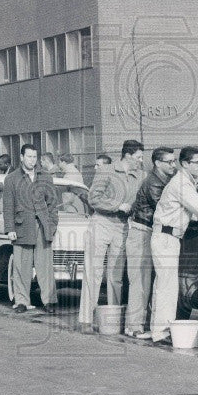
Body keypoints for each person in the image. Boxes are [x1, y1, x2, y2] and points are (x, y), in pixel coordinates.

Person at [150, 147, 198, 344]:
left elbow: (196, 212)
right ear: (185, 164)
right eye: (197, 162)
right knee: (166, 287)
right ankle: (160, 333)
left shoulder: (185, 183)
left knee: (167, 286)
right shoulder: (182, 184)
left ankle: (161, 330)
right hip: (166, 237)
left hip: (171, 237)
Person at [78, 140, 144, 327]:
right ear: (128, 156)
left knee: (115, 275)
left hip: (122, 226)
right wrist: (116, 206)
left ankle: (112, 319)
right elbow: (93, 199)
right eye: (138, 157)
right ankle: (86, 319)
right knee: (94, 272)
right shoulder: (106, 171)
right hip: (101, 222)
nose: (141, 161)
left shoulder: (139, 176)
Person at [125, 147, 176, 339]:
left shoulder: (164, 179)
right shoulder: (154, 182)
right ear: (157, 163)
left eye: (174, 161)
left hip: (148, 232)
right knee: (140, 281)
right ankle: (134, 326)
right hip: (141, 233)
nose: (173, 165)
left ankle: (140, 323)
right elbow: (163, 208)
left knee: (147, 280)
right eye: (169, 162)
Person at [3, 145, 59, 316]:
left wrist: (52, 224)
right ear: (21, 157)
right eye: (29, 157)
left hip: (42, 227)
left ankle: (49, 300)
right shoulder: (12, 179)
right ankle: (21, 301)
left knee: (45, 267)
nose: (32, 160)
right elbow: (8, 205)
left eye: (35, 157)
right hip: (21, 227)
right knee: (21, 267)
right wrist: (10, 229)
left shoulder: (46, 177)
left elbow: (52, 204)